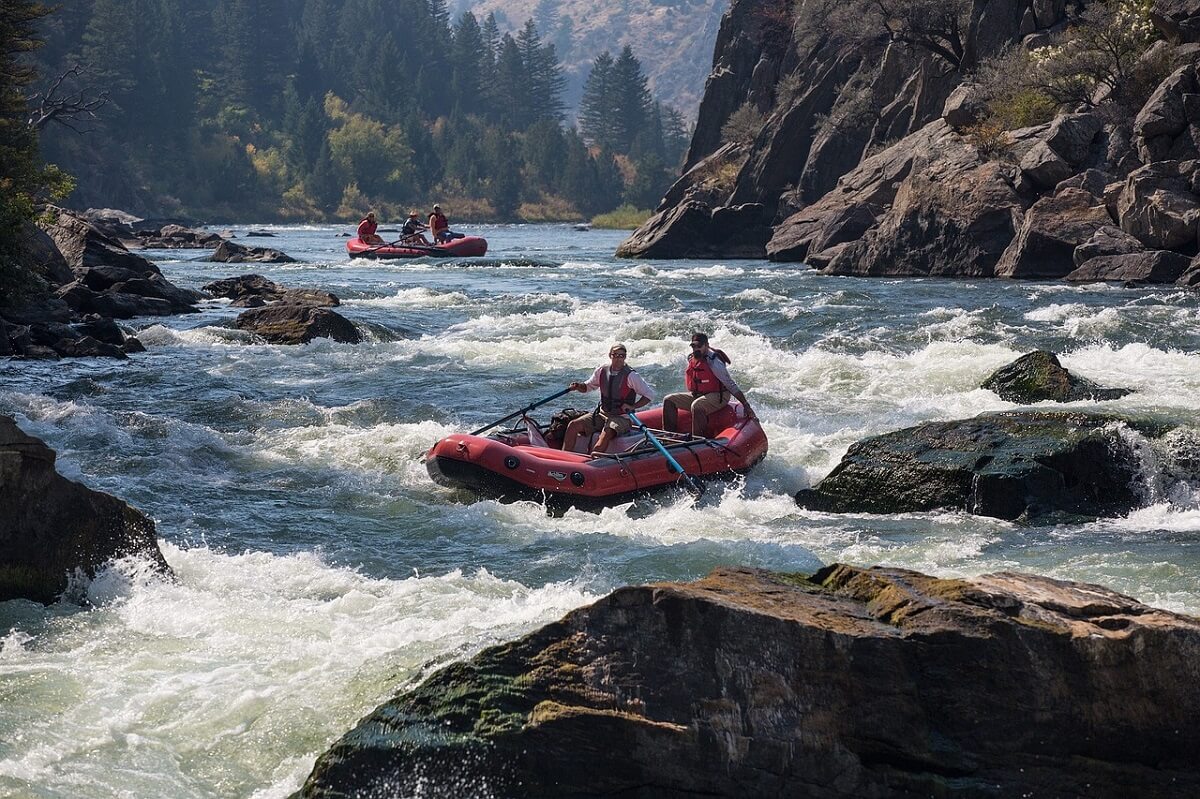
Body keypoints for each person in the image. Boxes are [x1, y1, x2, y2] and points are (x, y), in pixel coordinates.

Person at [561, 344, 656, 454]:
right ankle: (565, 457)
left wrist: (633, 406)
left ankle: (593, 462)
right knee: (573, 425)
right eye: (615, 355)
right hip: (602, 414)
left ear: (625, 357)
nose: (618, 358)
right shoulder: (602, 371)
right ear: (610, 356)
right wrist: (578, 386)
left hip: (621, 418)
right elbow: (588, 386)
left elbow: (649, 395)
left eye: (622, 355)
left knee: (605, 434)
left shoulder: (632, 376)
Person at [662, 332, 756, 438]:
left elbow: (730, 385)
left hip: (719, 396)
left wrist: (746, 405)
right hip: (699, 395)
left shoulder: (714, 362)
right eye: (693, 346)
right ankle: (668, 436)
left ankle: (698, 440)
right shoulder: (693, 358)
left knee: (697, 405)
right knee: (669, 400)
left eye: (699, 346)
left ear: (706, 345)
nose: (696, 349)